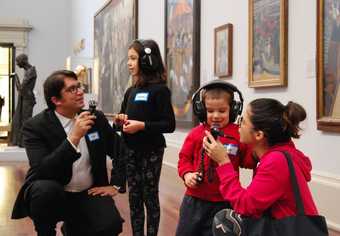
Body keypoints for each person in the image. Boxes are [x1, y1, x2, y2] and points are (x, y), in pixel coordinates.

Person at [11, 70, 125, 236]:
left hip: (88, 192)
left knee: (111, 225)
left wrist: (115, 183)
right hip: (55, 194)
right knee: (43, 191)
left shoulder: (95, 119)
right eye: (72, 89)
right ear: (56, 100)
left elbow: (120, 150)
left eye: (79, 87)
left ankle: (73, 226)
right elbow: (42, 169)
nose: (80, 92)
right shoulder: (35, 126)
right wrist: (73, 138)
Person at [205, 98, 319, 220]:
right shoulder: (280, 152)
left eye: (243, 121)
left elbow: (245, 205)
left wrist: (223, 162)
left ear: (259, 135)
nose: (238, 124)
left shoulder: (276, 161)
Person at [176, 80, 256, 236]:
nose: (216, 116)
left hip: (226, 201)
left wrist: (257, 150)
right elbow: (184, 158)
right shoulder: (195, 134)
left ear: (233, 110)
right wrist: (187, 174)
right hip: (194, 202)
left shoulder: (238, 134)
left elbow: (247, 161)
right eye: (210, 111)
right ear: (201, 110)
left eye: (222, 111)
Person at [113, 39, 176, 236]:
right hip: (130, 150)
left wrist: (142, 126)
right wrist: (119, 120)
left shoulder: (160, 90)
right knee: (134, 198)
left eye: (133, 58)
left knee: (150, 196)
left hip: (151, 150)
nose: (129, 63)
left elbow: (169, 124)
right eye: (128, 59)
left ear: (147, 60)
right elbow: (121, 120)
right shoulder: (131, 91)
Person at [11, 53, 37, 147]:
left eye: (18, 62)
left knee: (25, 121)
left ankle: (24, 142)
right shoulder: (28, 71)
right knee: (21, 119)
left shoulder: (31, 71)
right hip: (25, 98)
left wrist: (16, 78)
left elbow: (21, 89)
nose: (17, 64)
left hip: (27, 99)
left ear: (23, 61)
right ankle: (21, 142)